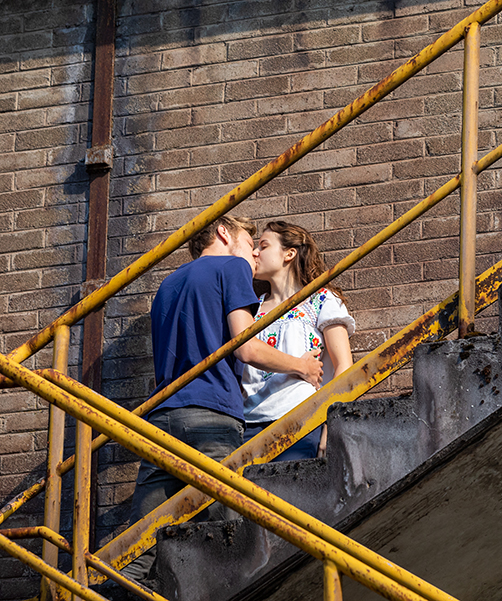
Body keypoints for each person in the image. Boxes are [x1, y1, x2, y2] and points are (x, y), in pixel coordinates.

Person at [120, 215, 322, 586]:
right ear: (224, 233)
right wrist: (302, 366)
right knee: (230, 535)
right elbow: (245, 347)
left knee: (141, 545)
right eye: (250, 242)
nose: (253, 253)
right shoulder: (231, 266)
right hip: (210, 416)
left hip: (161, 419)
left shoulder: (168, 283)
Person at [242, 221, 355, 461]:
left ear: (289, 254)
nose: (254, 253)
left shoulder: (321, 299)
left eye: (263, 245)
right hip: (247, 425)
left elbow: (345, 367)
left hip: (300, 421)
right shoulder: (251, 309)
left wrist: (330, 426)